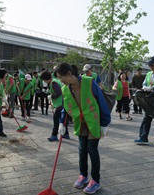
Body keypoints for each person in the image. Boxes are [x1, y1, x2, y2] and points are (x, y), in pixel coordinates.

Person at [55, 63, 111, 194]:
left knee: (92, 149)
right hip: (80, 122)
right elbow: (66, 106)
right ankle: (83, 175)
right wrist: (61, 123)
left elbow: (101, 102)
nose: (60, 80)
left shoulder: (89, 82)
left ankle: (96, 181)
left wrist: (105, 123)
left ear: (69, 74)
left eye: (61, 77)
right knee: (81, 149)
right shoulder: (65, 89)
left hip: (93, 121)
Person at [40, 71, 70, 141]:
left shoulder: (53, 83)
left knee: (56, 120)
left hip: (60, 104)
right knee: (62, 120)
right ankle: (66, 134)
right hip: (62, 104)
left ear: (45, 79)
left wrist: (52, 96)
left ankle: (54, 135)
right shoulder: (54, 81)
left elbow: (59, 92)